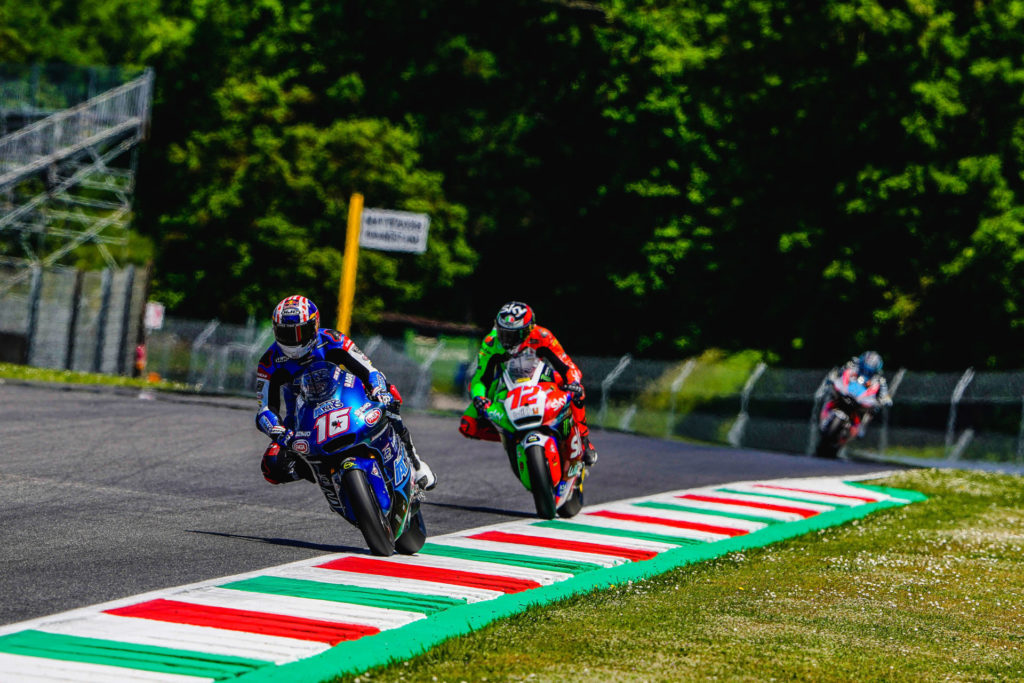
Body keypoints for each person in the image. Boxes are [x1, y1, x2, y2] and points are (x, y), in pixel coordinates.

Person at [254, 295, 436, 490]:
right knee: (272, 463)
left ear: (315, 325)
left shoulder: (332, 339)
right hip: (302, 419)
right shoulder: (269, 361)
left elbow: (369, 370)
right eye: (286, 333)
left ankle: (415, 463)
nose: (294, 340)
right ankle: (322, 473)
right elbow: (265, 408)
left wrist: (379, 390)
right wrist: (278, 431)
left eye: (301, 332)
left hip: (347, 400)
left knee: (391, 395)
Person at [458, 300, 598, 465]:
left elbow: (568, 366)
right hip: (506, 384)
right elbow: (479, 379)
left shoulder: (542, 335)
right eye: (503, 332)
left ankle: (584, 440)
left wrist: (573, 382)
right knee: (468, 425)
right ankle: (511, 436)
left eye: (513, 334)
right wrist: (479, 396)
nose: (506, 340)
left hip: (541, 379)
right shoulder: (491, 343)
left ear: (528, 330)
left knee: (577, 390)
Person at [825, 350, 893, 437]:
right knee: (828, 391)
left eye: (872, 364)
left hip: (861, 400)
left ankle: (861, 427)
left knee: (874, 410)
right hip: (845, 392)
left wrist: (885, 398)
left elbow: (884, 389)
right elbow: (839, 371)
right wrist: (833, 376)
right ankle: (824, 411)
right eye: (868, 362)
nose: (868, 367)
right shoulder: (853, 365)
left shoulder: (878, 379)